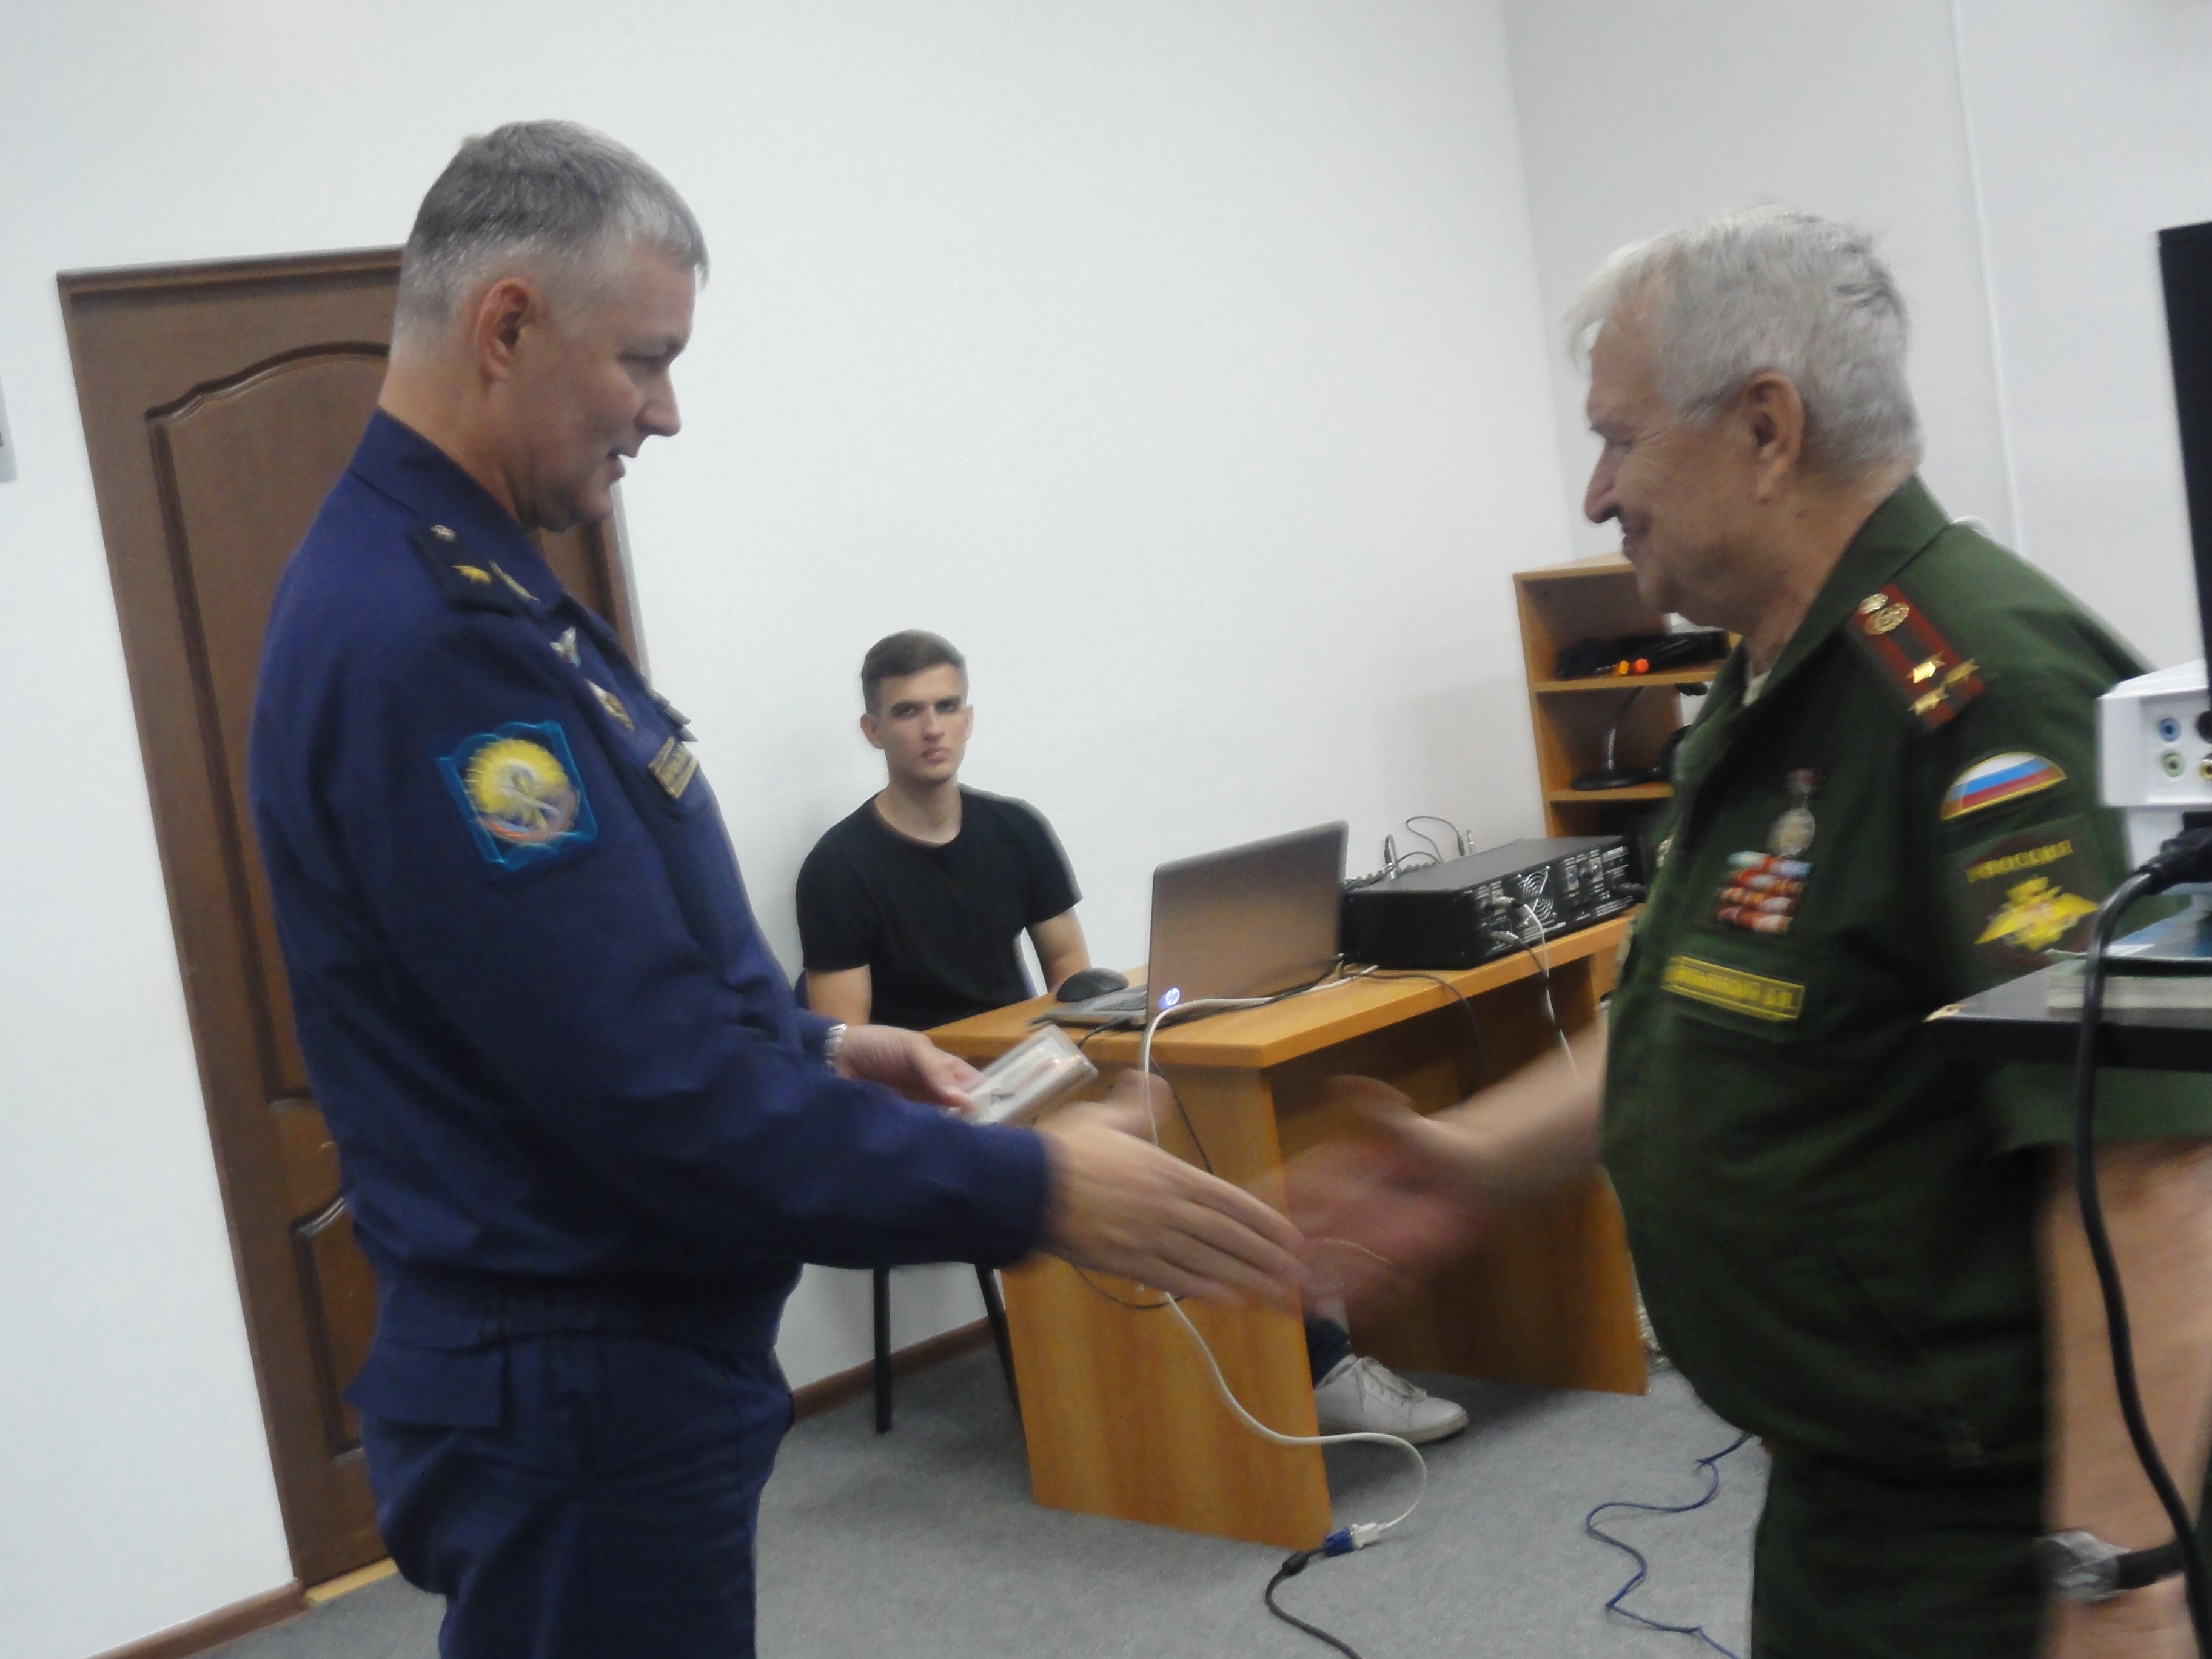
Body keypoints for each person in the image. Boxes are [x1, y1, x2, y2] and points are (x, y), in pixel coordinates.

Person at [248, 121, 1301, 1659]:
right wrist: (1039, 1189)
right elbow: (640, 1086)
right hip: (578, 1372)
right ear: (509, 325)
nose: (666, 413)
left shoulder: (472, 584)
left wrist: (815, 1045)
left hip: (607, 1358)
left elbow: (561, 986)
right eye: (645, 360)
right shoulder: (434, 639)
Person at [1292, 206, 2212, 1657]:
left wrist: (2123, 1579)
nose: (1598, 493)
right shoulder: (1771, 683)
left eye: (1621, 438)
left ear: (1766, 430)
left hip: (2006, 1535)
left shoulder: (1984, 698)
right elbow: (1704, 1018)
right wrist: (1469, 1157)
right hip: (1845, 1502)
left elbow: (2151, 1173)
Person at [798, 629, 1467, 1443]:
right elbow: (850, 1044)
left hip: (1033, 1066)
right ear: (873, 731)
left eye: (947, 706)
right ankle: (1315, 1366)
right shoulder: (840, 867)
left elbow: (1073, 976)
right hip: (943, 1101)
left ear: (969, 718)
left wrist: (1110, 1035)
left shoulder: (1014, 830)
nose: (932, 728)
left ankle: (1287, 1359)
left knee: (1207, 1109)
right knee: (1175, 1152)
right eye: (908, 712)